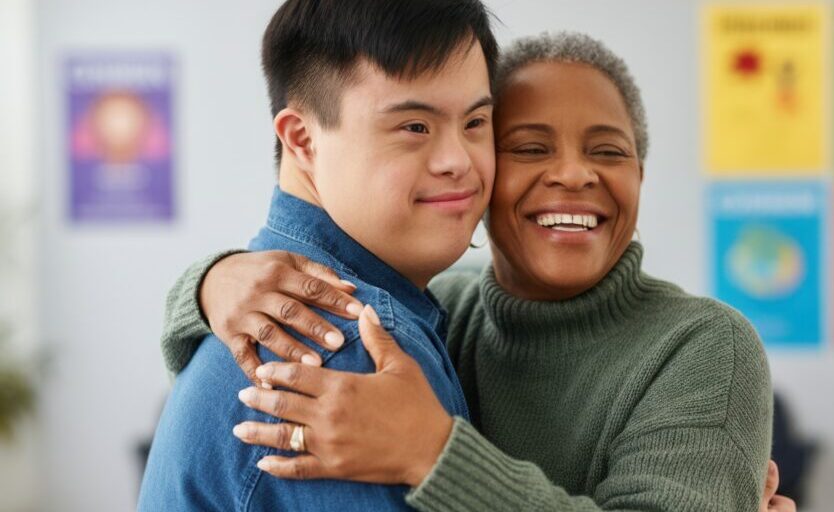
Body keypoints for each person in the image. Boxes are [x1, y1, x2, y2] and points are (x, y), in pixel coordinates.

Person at [160, 32, 795, 512]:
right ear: (487, 176)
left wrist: (434, 454)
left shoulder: (705, 346)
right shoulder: (436, 313)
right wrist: (212, 282)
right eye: (529, 147)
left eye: (609, 151)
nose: (575, 174)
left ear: (640, 176)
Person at [137, 0, 498, 510]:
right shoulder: (351, 346)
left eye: (476, 122)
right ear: (304, 140)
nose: (459, 161)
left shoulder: (286, 302)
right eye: (414, 126)